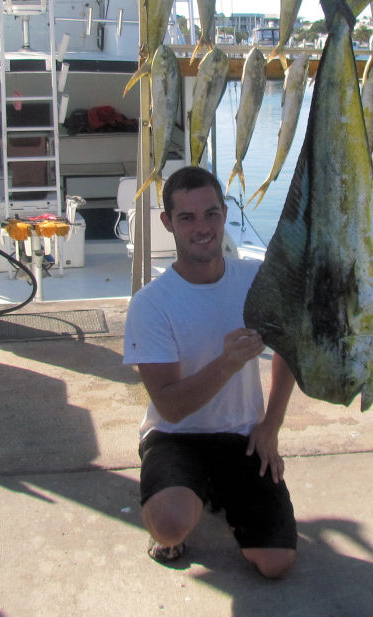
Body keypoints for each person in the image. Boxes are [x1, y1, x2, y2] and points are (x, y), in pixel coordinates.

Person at [123, 165, 297, 578]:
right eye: (187, 217)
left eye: (211, 214)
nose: (202, 227)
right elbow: (170, 406)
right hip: (174, 437)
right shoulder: (151, 304)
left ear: (225, 214)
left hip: (241, 435)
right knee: (169, 526)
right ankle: (182, 500)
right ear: (168, 223)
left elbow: (290, 350)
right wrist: (228, 364)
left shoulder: (257, 281)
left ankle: (215, 491)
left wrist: (271, 425)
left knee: (277, 564)